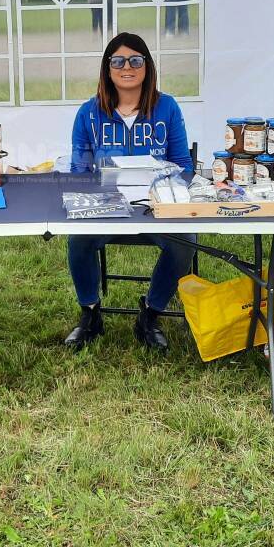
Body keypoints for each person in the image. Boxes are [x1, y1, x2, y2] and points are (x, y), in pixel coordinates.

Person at [64, 32, 196, 352]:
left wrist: (166, 193)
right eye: (118, 61)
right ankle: (91, 314)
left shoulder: (167, 107)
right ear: (107, 69)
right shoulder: (88, 113)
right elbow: (78, 171)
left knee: (186, 242)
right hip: (106, 205)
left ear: (147, 67)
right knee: (78, 239)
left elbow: (184, 165)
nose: (127, 67)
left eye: (136, 60)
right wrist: (95, 195)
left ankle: (149, 315)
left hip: (154, 205)